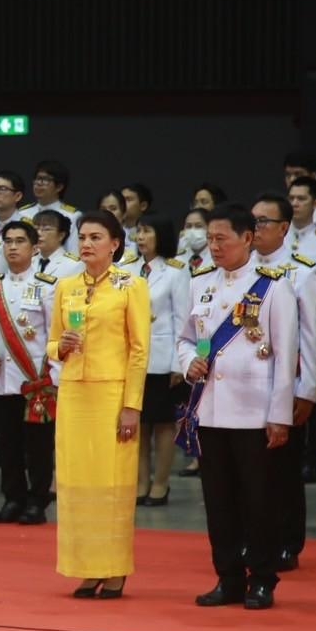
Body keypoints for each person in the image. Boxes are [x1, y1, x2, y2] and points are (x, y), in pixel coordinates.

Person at [177, 204, 298, 610]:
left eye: (221, 238)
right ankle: (227, 576)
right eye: (210, 239)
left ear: (247, 238)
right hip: (210, 409)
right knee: (219, 501)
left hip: (254, 412)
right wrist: (188, 363)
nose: (214, 246)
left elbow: (286, 356)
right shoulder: (200, 284)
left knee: (259, 501)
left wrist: (279, 416)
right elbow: (185, 339)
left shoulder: (274, 287)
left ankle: (261, 579)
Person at [49, 209, 150, 599]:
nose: (87, 244)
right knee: (77, 483)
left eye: (95, 237)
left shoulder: (131, 285)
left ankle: (114, 568)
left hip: (112, 394)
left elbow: (139, 350)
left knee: (111, 483)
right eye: (83, 237)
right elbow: (52, 343)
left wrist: (132, 405)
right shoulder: (66, 286)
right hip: (74, 392)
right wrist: (61, 347)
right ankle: (87, 569)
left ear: (115, 244)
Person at [251, 193, 316, 570]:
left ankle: (287, 541)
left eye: (263, 221)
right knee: (250, 469)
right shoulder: (241, 266)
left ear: (284, 227)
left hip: (286, 382)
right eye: (252, 221)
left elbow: (312, 336)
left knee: (283, 469)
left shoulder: (303, 271)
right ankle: (253, 538)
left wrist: (307, 390)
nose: (255, 228)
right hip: (246, 385)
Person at [0, 220, 56, 526]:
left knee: (38, 446)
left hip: (34, 381)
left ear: (34, 248)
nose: (12, 247)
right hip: (2, 380)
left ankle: (37, 501)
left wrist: (52, 378)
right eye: (8, 241)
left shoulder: (47, 286)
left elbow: (55, 335)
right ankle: (13, 498)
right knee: (7, 443)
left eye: (20, 241)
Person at [131, 213, 187, 506]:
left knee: (163, 424)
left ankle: (160, 484)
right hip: (133, 359)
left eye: (147, 231)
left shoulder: (176, 271)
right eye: (138, 231)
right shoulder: (127, 268)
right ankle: (141, 482)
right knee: (138, 424)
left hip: (163, 360)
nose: (140, 237)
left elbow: (183, 319)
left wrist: (179, 363)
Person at [25, 159, 80, 252]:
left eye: (45, 180)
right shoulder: (23, 213)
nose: (39, 183)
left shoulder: (72, 216)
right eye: (37, 178)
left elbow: (73, 251)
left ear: (59, 187)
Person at [177, 207, 212, 275]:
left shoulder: (217, 257)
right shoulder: (180, 256)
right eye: (188, 226)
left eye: (198, 226)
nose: (192, 231)